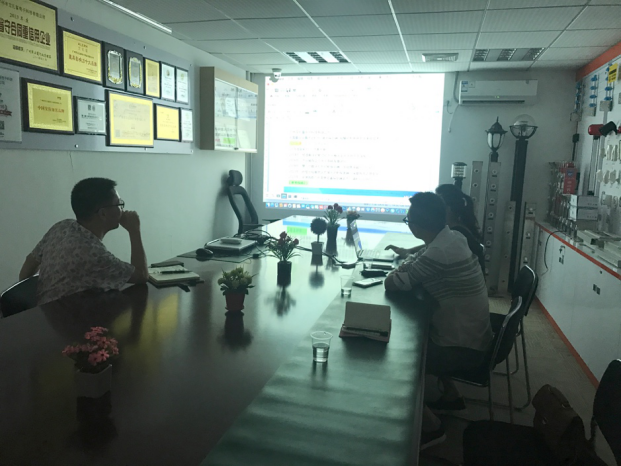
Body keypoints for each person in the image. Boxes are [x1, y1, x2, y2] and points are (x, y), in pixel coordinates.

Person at [384, 192, 492, 450]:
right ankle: (451, 395)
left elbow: (392, 283)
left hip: (463, 349)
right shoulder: (453, 237)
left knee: (395, 362)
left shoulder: (438, 252)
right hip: (476, 336)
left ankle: (432, 428)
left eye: (407, 220)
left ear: (416, 225)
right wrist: (410, 262)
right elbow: (417, 262)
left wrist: (404, 266)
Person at [19, 178, 148, 305]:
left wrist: (28, 304)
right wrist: (134, 231)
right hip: (68, 316)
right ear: (103, 214)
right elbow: (141, 275)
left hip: (45, 312)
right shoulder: (94, 254)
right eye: (118, 204)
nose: (122, 210)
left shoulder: (62, 227)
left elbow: (29, 263)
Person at [385, 184, 485, 273]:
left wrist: (408, 256)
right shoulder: (457, 231)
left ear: (448, 208)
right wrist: (408, 251)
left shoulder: (455, 234)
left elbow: (431, 252)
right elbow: (431, 245)